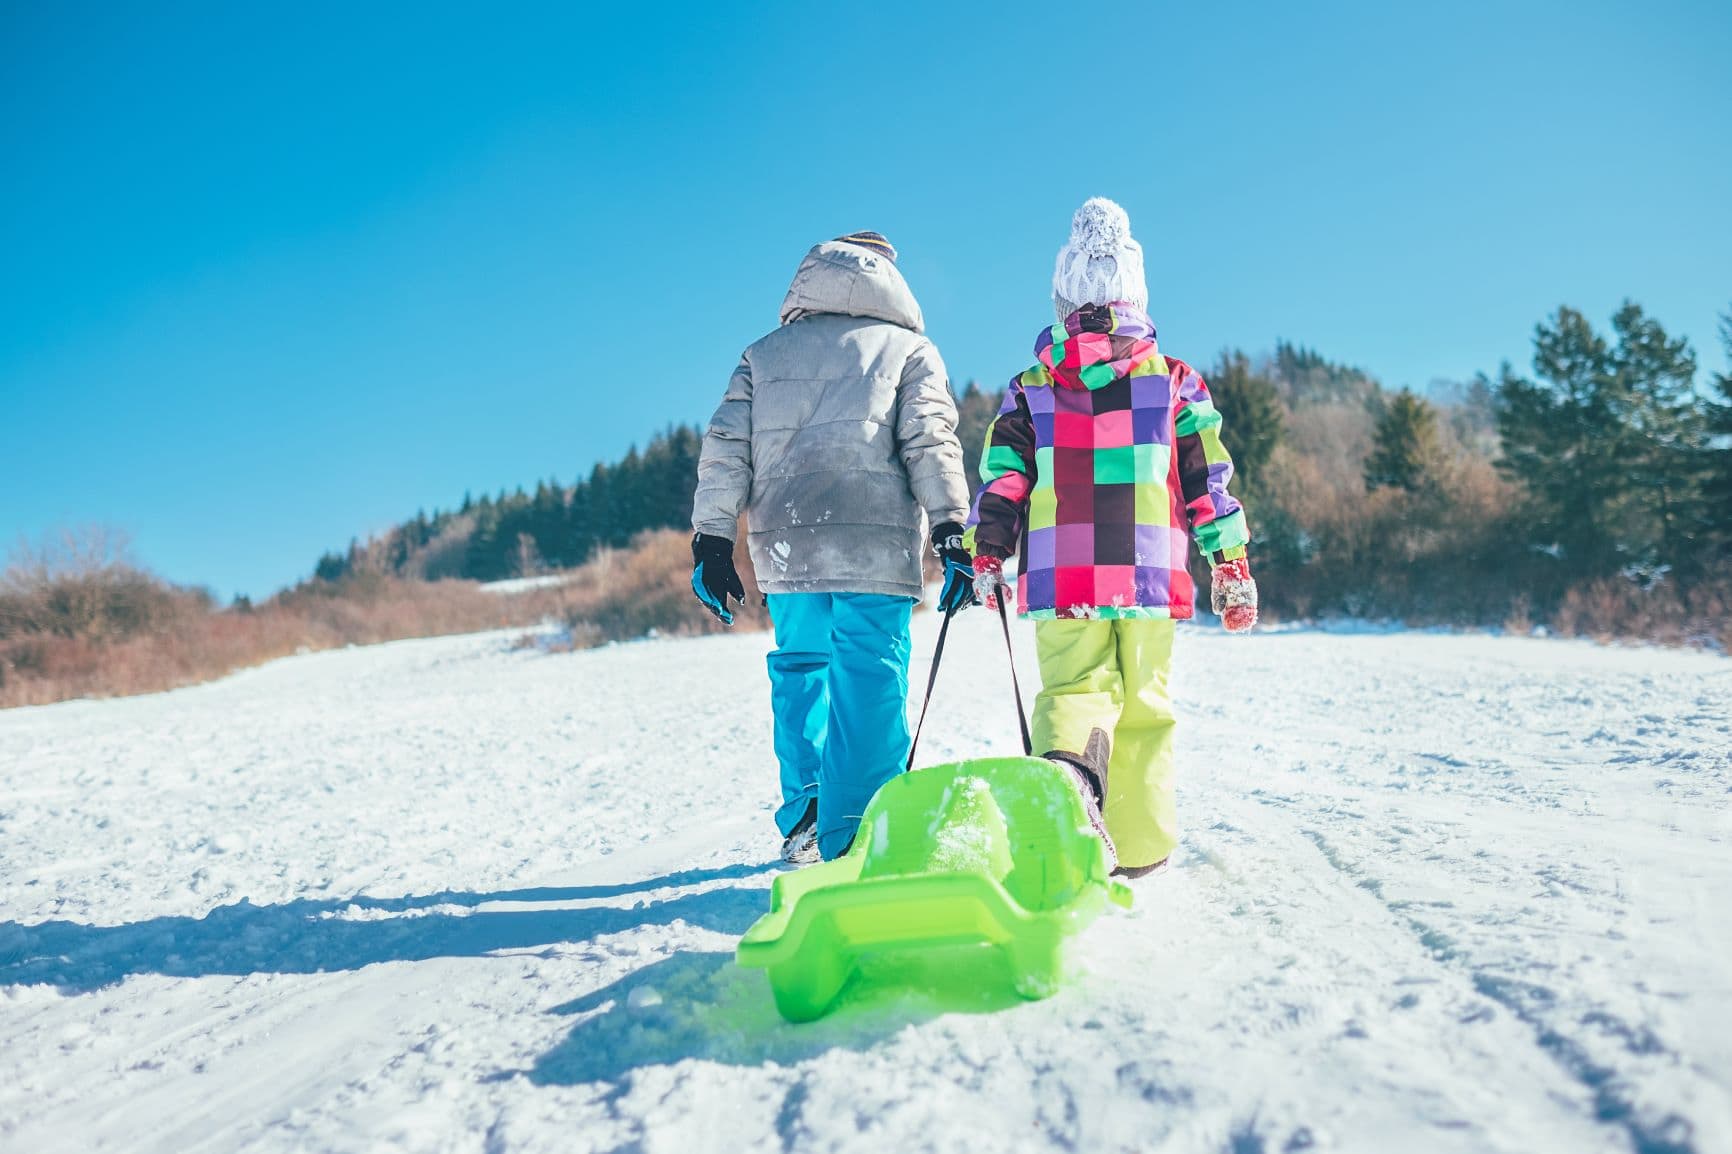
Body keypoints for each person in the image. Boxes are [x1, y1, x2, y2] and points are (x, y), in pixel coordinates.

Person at [965, 198, 1259, 878]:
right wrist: (1231, 560)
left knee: (1075, 691)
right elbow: (1205, 480)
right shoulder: (1175, 381)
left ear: (1063, 300)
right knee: (1145, 705)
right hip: (1150, 574)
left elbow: (1004, 480)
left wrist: (989, 552)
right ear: (1135, 296)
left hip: (1063, 575)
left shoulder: (1030, 388)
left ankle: (1069, 785)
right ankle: (1138, 846)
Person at [690, 231, 976, 865]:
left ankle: (810, 812)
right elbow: (931, 441)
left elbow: (726, 448)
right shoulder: (910, 350)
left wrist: (712, 539)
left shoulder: (762, 356)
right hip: (873, 542)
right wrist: (952, 528)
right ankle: (860, 830)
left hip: (787, 541)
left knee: (802, 667)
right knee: (870, 670)